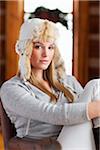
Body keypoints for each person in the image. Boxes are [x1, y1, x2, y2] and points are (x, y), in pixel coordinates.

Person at [0, 18, 100, 150]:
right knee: (95, 85)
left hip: (85, 141)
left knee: (96, 86)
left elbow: (91, 120)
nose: (46, 54)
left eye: (50, 47)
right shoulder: (11, 89)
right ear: (26, 49)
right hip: (54, 146)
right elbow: (54, 114)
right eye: (38, 46)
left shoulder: (68, 81)